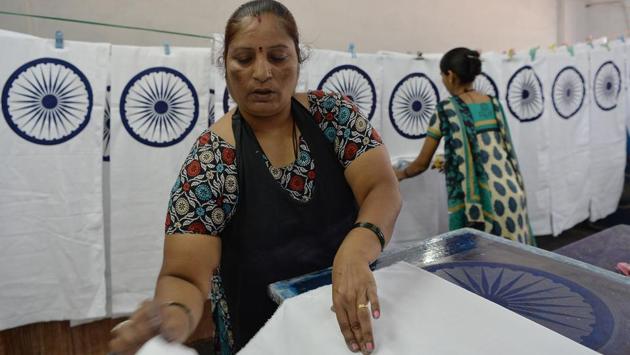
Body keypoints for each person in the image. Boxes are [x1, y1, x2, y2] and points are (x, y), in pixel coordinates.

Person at [109, 1, 401, 354]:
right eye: (245, 59)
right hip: (265, 335)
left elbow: (382, 188)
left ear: (298, 59)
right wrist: (170, 316)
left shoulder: (334, 117)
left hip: (349, 315)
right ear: (225, 65)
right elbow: (183, 277)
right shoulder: (211, 162)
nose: (262, 72)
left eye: (277, 57)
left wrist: (356, 250)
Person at [394, 47, 534, 245]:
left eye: (442, 75)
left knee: (482, 265)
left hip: (481, 205)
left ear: (450, 75)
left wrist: (398, 174)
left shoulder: (447, 110)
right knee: (514, 262)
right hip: (511, 194)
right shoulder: (493, 104)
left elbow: (421, 164)